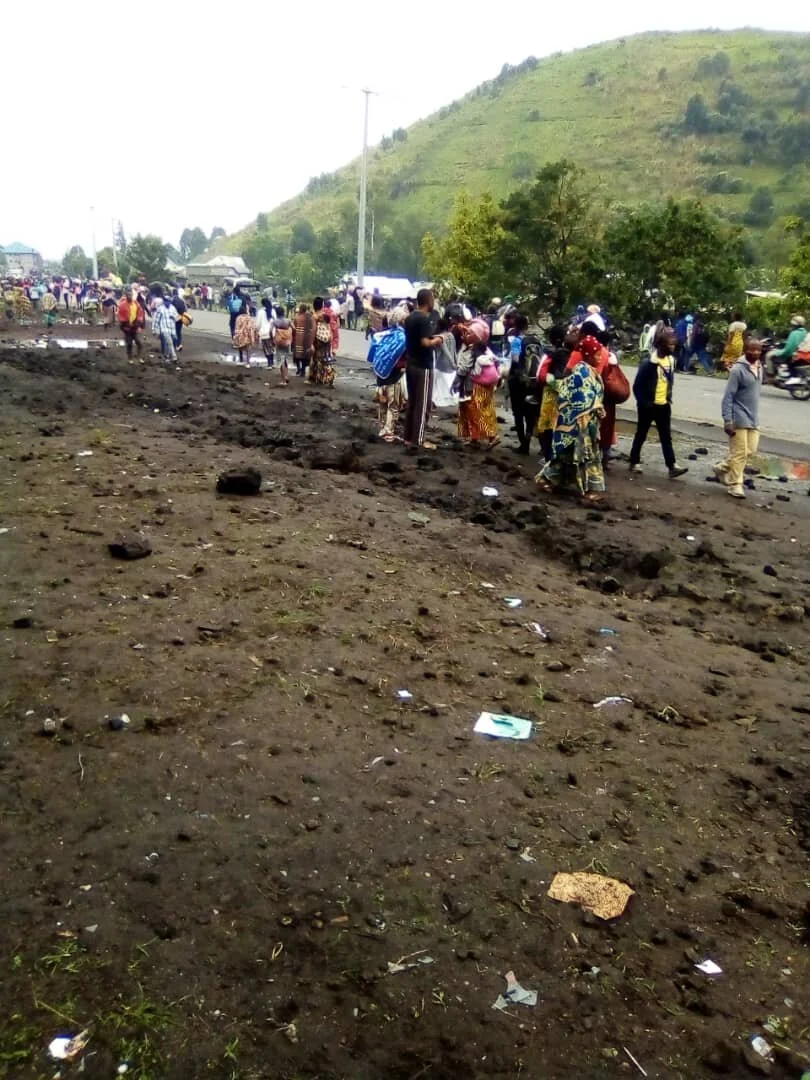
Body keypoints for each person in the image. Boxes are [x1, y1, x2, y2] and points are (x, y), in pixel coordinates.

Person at [535, 333, 606, 504]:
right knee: (582, 456)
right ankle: (589, 489)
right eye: (597, 355)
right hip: (579, 423)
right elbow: (578, 397)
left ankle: (548, 480)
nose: (599, 358)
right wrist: (594, 407)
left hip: (589, 422)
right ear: (588, 355)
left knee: (572, 456)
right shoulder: (580, 373)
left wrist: (598, 408)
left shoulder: (591, 373)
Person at [628, 326, 689, 478]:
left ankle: (672, 466)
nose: (673, 347)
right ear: (661, 345)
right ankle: (634, 461)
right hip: (648, 405)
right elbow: (637, 386)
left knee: (666, 436)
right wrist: (643, 402)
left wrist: (667, 399)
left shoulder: (671, 361)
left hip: (664, 405)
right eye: (670, 345)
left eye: (674, 344)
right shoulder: (649, 363)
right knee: (641, 433)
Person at [715, 336, 763, 499]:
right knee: (740, 453)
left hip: (753, 418)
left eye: (758, 350)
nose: (755, 353)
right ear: (744, 351)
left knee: (751, 450)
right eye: (752, 350)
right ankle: (736, 485)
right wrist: (728, 420)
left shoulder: (759, 367)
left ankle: (721, 467)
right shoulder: (738, 370)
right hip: (738, 417)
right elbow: (728, 397)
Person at [403, 289, 444, 450]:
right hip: (423, 365)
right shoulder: (424, 319)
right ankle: (418, 439)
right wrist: (439, 339)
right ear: (428, 301)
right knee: (423, 404)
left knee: (412, 402)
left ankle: (408, 437)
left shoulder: (410, 317)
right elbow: (425, 342)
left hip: (411, 363)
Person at [456, 318, 502, 447]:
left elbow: (465, 367)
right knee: (486, 409)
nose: (466, 335)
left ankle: (491, 436)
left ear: (477, 337)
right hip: (488, 385)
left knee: (475, 410)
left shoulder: (472, 350)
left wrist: (458, 378)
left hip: (475, 385)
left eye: (470, 333)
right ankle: (475, 437)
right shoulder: (486, 349)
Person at [506, 314, 545, 453]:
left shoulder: (517, 341)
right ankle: (529, 440)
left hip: (519, 381)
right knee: (531, 414)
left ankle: (524, 445)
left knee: (518, 413)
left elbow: (515, 359)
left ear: (515, 326)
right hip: (533, 382)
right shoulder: (537, 340)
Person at [767, 315, 807, 384]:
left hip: (791, 353)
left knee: (768, 355)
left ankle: (771, 375)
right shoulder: (804, 332)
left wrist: (782, 353)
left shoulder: (794, 333)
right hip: (799, 353)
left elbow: (789, 349)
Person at [310, 297, 336, 386]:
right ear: (322, 305)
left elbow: (313, 330)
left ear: (314, 305)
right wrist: (331, 339)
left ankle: (317, 377)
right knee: (326, 358)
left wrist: (311, 342)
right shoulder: (325, 315)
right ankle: (329, 376)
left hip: (318, 340)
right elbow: (329, 328)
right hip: (327, 339)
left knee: (317, 359)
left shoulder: (314, 316)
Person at [117, 287, 146, 359]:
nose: (130, 297)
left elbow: (140, 313)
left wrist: (139, 323)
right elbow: (120, 315)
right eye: (129, 295)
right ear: (126, 296)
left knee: (139, 342)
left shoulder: (136, 303)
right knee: (129, 343)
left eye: (131, 295)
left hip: (135, 326)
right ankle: (130, 357)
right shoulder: (122, 305)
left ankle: (139, 356)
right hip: (126, 327)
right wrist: (125, 324)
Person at [152, 296, 179, 361]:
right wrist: (155, 330)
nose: (167, 302)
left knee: (168, 343)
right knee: (169, 342)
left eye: (168, 301)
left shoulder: (173, 308)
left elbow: (177, 317)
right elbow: (156, 320)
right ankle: (174, 356)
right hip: (164, 328)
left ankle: (166, 356)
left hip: (172, 328)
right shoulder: (160, 309)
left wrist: (174, 318)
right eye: (166, 301)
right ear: (163, 302)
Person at [292, 303, 315, 377]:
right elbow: (312, 328)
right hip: (307, 339)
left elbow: (294, 328)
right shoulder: (310, 317)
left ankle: (298, 369)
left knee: (297, 355)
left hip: (298, 338)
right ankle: (303, 370)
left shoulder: (297, 317)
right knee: (305, 356)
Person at [272, 307, 292, 385]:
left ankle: (283, 380)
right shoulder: (288, 321)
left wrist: (273, 340)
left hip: (279, 341)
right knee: (285, 359)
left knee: (281, 360)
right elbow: (293, 328)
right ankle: (286, 376)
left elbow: (271, 331)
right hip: (286, 342)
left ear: (276, 313)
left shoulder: (275, 321)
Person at [256, 298, 276, 366]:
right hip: (271, 333)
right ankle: (272, 363)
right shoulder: (273, 311)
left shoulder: (260, 312)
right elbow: (275, 322)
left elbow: (258, 324)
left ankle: (269, 363)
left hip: (264, 333)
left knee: (266, 349)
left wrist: (257, 331)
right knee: (271, 348)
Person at [173, 287, 187, 352]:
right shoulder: (182, 301)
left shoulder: (172, 299)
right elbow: (185, 310)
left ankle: (173, 345)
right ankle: (178, 345)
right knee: (178, 332)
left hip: (173, 318)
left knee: (173, 332)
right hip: (180, 318)